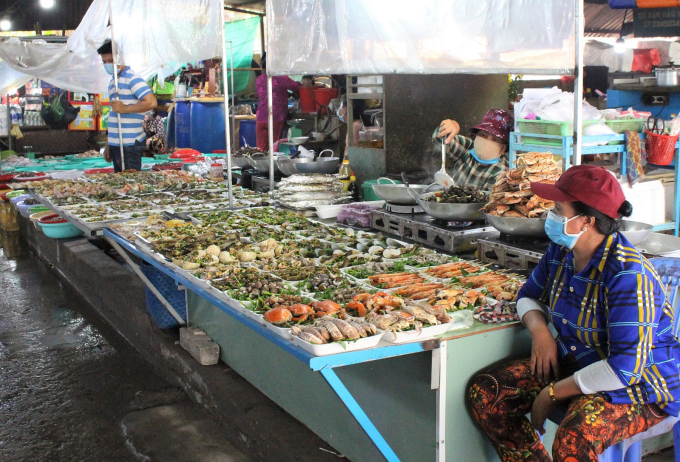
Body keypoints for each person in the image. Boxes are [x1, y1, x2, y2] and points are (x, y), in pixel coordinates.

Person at [466, 165, 680, 462]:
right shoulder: (562, 252)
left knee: (573, 439)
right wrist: (540, 333)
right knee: (487, 393)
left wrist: (551, 393)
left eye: (557, 209)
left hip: (640, 385)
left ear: (586, 221)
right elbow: (527, 295)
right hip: (578, 362)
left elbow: (625, 368)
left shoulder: (628, 275)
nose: (549, 216)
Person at [97, 41, 157, 172]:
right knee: (120, 183)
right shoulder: (113, 81)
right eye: (104, 61)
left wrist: (125, 109)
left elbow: (151, 102)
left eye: (110, 61)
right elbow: (114, 114)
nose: (107, 64)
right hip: (116, 143)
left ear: (121, 58)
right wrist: (109, 143)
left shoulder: (132, 78)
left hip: (130, 143)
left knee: (130, 184)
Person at [433, 109, 513, 190]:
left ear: (503, 148)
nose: (487, 142)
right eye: (483, 135)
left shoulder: (502, 173)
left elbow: (490, 200)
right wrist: (450, 127)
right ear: (476, 136)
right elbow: (439, 138)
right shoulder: (468, 147)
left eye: (495, 139)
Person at [255, 53, 310, 151]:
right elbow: (297, 88)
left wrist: (285, 95)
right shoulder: (281, 78)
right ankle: (274, 165)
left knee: (261, 150)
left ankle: (262, 166)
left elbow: (267, 95)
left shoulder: (259, 79)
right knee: (274, 148)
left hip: (261, 118)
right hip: (276, 116)